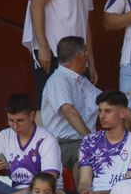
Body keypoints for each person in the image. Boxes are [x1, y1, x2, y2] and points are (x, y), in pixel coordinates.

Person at [38, 38, 99, 171]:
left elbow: (112, 103)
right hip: (63, 144)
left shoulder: (81, 81)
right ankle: (84, 191)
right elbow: (69, 111)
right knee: (91, 155)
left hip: (82, 141)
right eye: (86, 54)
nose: (87, 58)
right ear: (79, 56)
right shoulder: (58, 80)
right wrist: (92, 141)